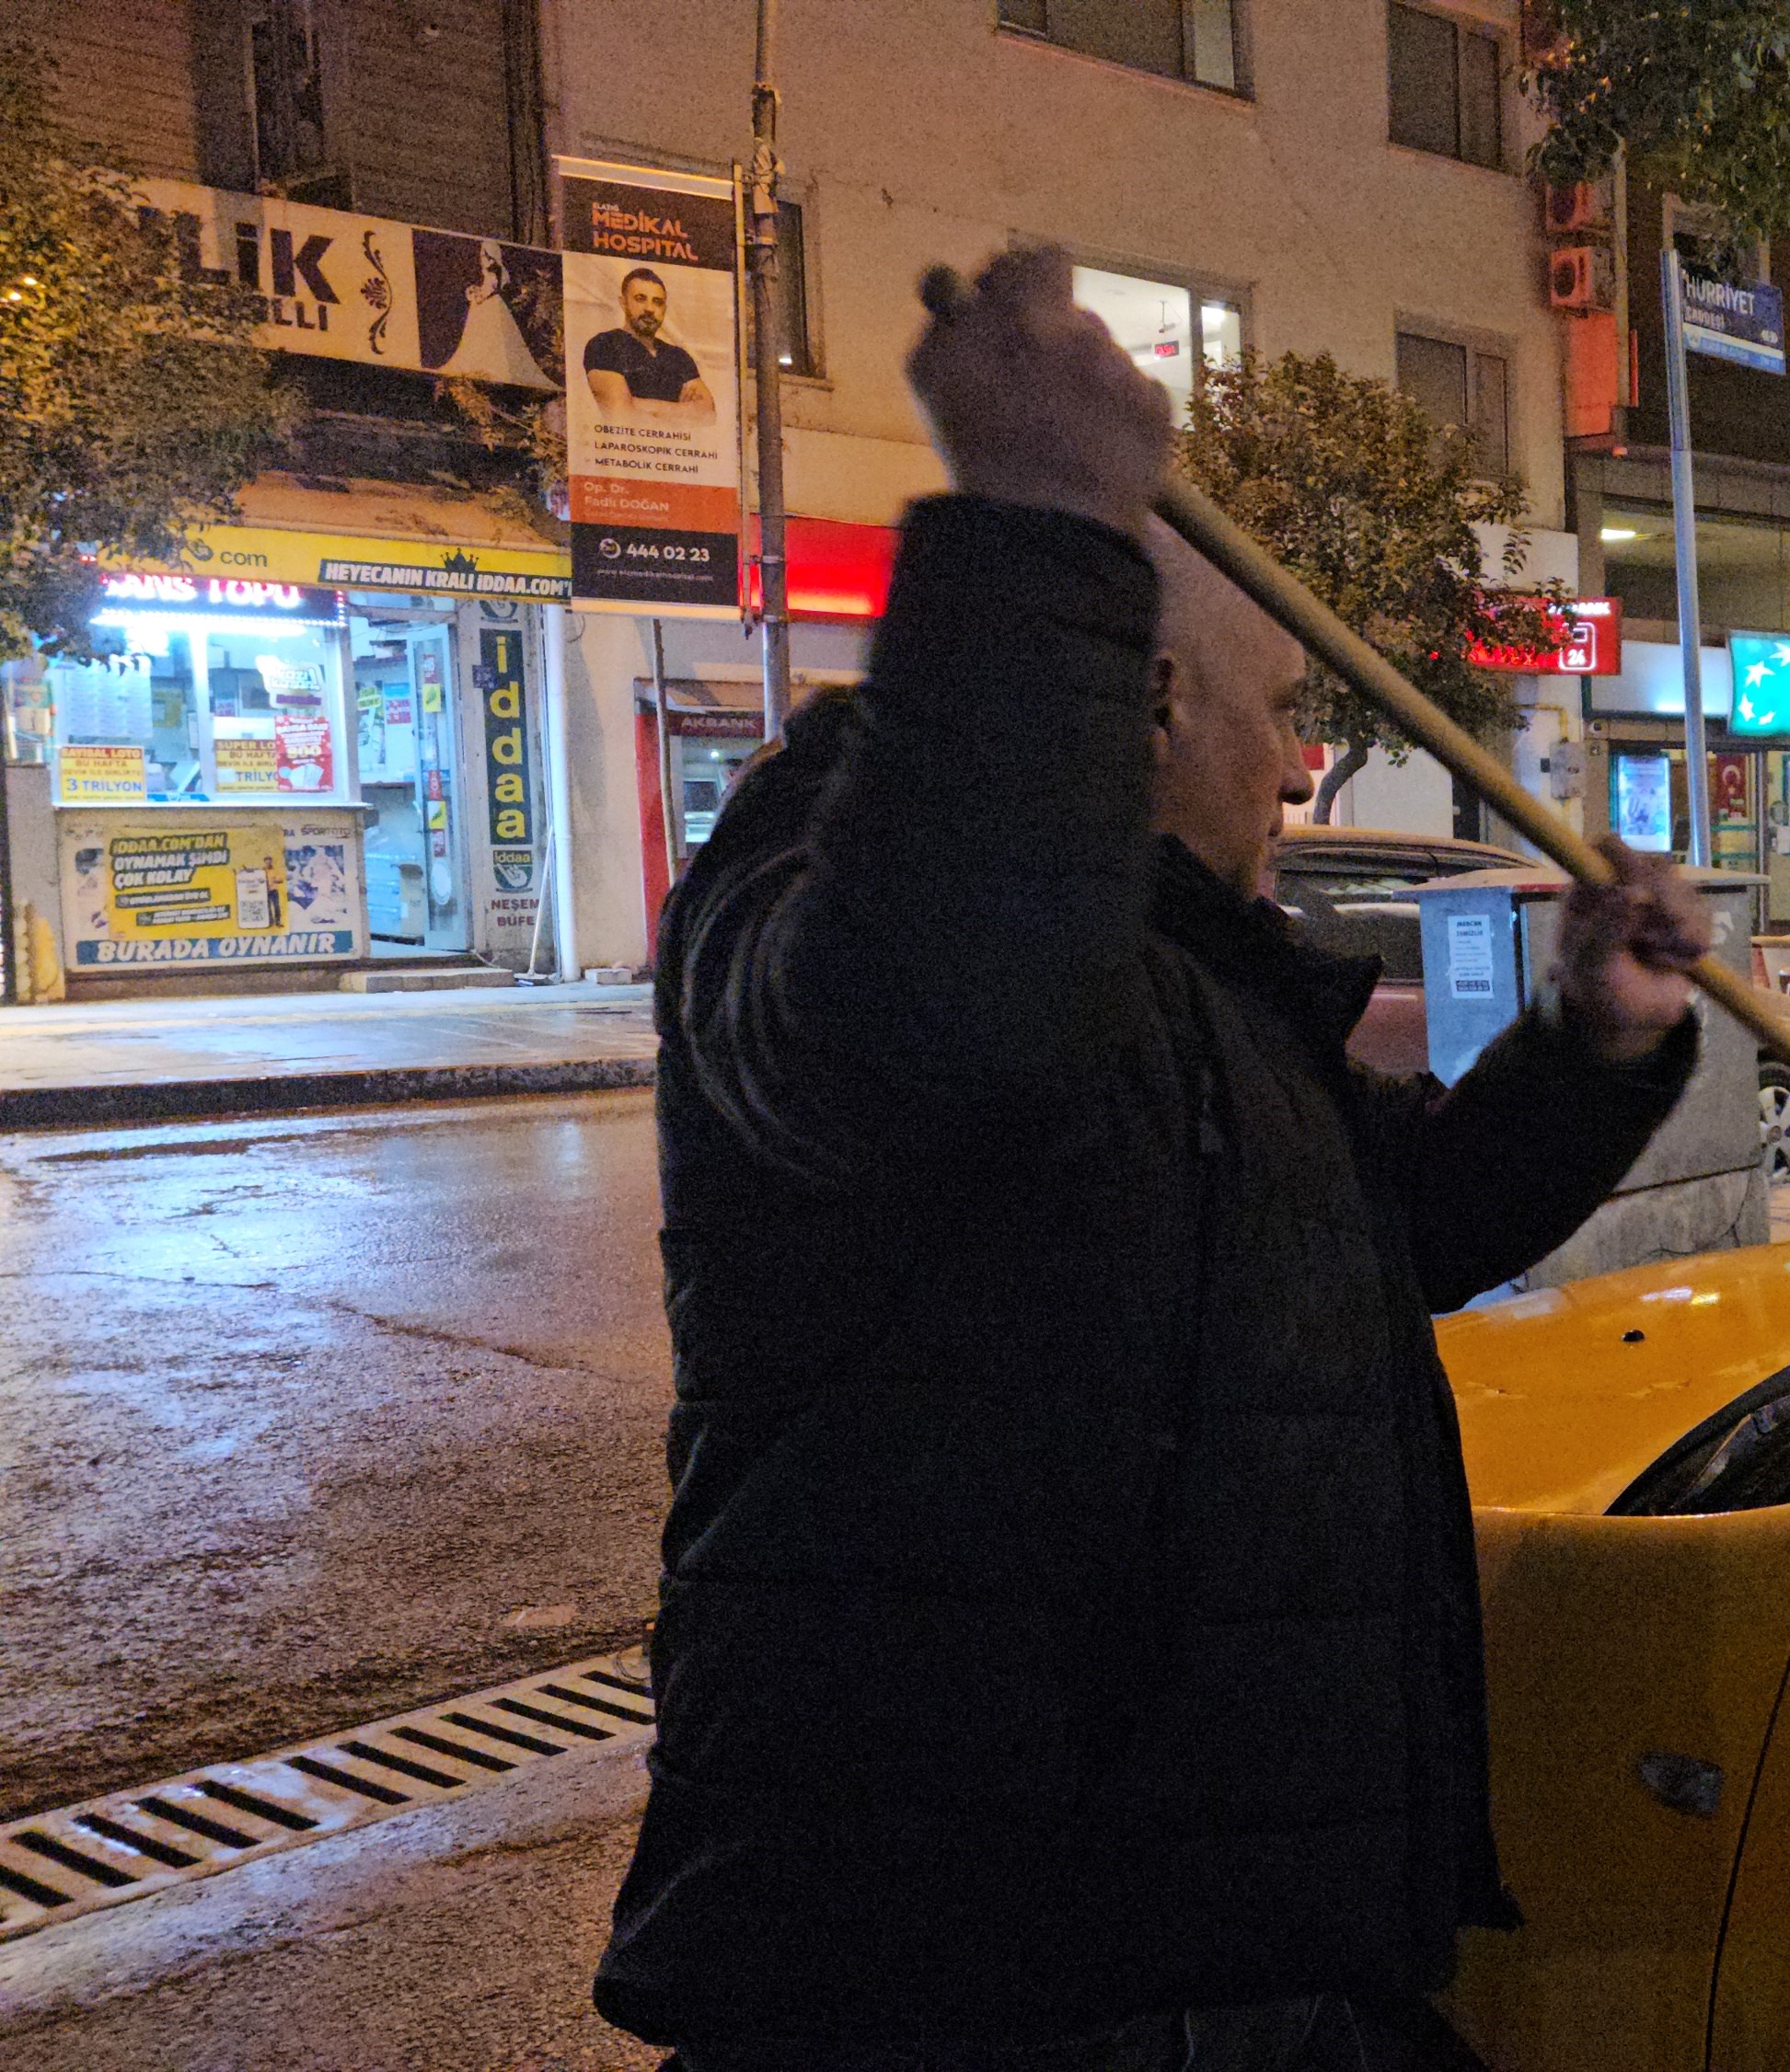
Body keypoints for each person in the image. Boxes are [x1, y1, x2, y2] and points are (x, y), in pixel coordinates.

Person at [594, 245, 1713, 2070]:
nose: (1292, 777)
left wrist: (1594, 1040)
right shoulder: (837, 876)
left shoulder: (1199, 995)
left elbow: (1392, 1229)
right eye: (1277, 713)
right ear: (1160, 706)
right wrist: (1035, 528)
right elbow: (947, 1013)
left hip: (1232, 1965)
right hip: (966, 1995)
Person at [583, 267, 713, 415]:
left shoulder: (679, 357)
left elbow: (707, 414)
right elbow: (620, 413)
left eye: (657, 302)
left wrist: (636, 404)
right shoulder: (604, 345)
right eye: (640, 299)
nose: (649, 309)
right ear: (623, 303)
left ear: (665, 308)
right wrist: (686, 410)